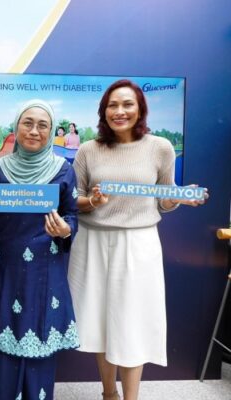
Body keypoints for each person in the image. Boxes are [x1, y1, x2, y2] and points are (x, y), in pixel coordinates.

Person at [67, 79, 207, 400]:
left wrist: (179, 198)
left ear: (140, 109)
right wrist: (93, 201)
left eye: (127, 104)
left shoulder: (160, 147)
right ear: (103, 111)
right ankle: (108, 393)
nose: (120, 111)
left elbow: (163, 200)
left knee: (132, 323)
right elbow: (73, 199)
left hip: (139, 244)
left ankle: (131, 397)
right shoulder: (89, 149)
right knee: (100, 321)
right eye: (112, 105)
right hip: (93, 243)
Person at [0, 100, 79, 400]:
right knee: (3, 356)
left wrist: (65, 229)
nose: (34, 131)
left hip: (47, 271)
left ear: (51, 130)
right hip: (5, 270)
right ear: (16, 127)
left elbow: (72, 214)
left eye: (43, 125)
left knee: (40, 353)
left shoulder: (63, 170)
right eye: (27, 123)